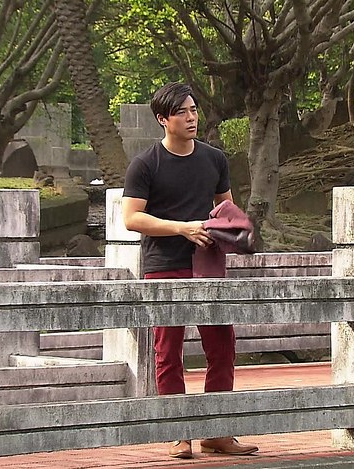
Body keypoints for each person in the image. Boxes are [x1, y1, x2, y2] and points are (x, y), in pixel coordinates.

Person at [121, 82, 259, 460]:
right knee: (168, 351)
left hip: (208, 265)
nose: (191, 117)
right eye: (181, 112)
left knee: (222, 346)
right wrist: (182, 228)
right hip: (164, 266)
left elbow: (226, 210)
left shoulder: (214, 159)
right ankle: (177, 432)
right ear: (162, 119)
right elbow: (132, 218)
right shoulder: (145, 164)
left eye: (194, 109)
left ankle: (216, 432)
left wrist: (232, 230)